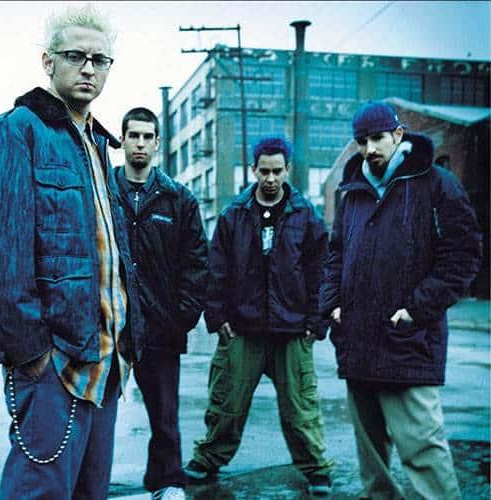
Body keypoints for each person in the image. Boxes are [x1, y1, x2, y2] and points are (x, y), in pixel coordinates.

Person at [0, 5, 143, 499]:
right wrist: (31, 353)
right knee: (39, 492)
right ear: (48, 61)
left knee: (90, 492)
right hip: (55, 362)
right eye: (75, 56)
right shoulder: (16, 130)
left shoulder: (97, 143)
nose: (88, 68)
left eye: (100, 60)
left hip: (105, 360)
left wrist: (128, 341)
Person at [320, 101, 482, 499]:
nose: (370, 148)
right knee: (372, 460)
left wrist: (416, 309)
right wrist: (333, 304)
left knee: (423, 450)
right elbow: (335, 254)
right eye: (362, 141)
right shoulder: (351, 192)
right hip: (357, 340)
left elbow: (464, 255)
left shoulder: (436, 183)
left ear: (397, 135)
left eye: (377, 138)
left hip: (407, 341)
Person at [184, 135, 335, 495]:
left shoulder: (306, 216)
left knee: (301, 407)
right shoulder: (233, 215)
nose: (270, 178)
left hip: (292, 328)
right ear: (253, 169)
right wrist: (217, 317)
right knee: (227, 402)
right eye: (264, 171)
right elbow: (216, 270)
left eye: (277, 171)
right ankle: (208, 459)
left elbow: (321, 271)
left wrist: (317, 321)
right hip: (242, 327)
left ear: (288, 170)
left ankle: (316, 468)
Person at [113, 107, 208, 500]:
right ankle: (86, 482)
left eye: (147, 136)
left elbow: (197, 261)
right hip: (112, 322)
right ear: (122, 140)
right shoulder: (104, 192)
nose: (140, 143)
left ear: (157, 143)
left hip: (160, 326)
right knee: (96, 410)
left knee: (165, 413)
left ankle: (167, 481)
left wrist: (181, 315)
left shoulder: (177, 199)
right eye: (133, 135)